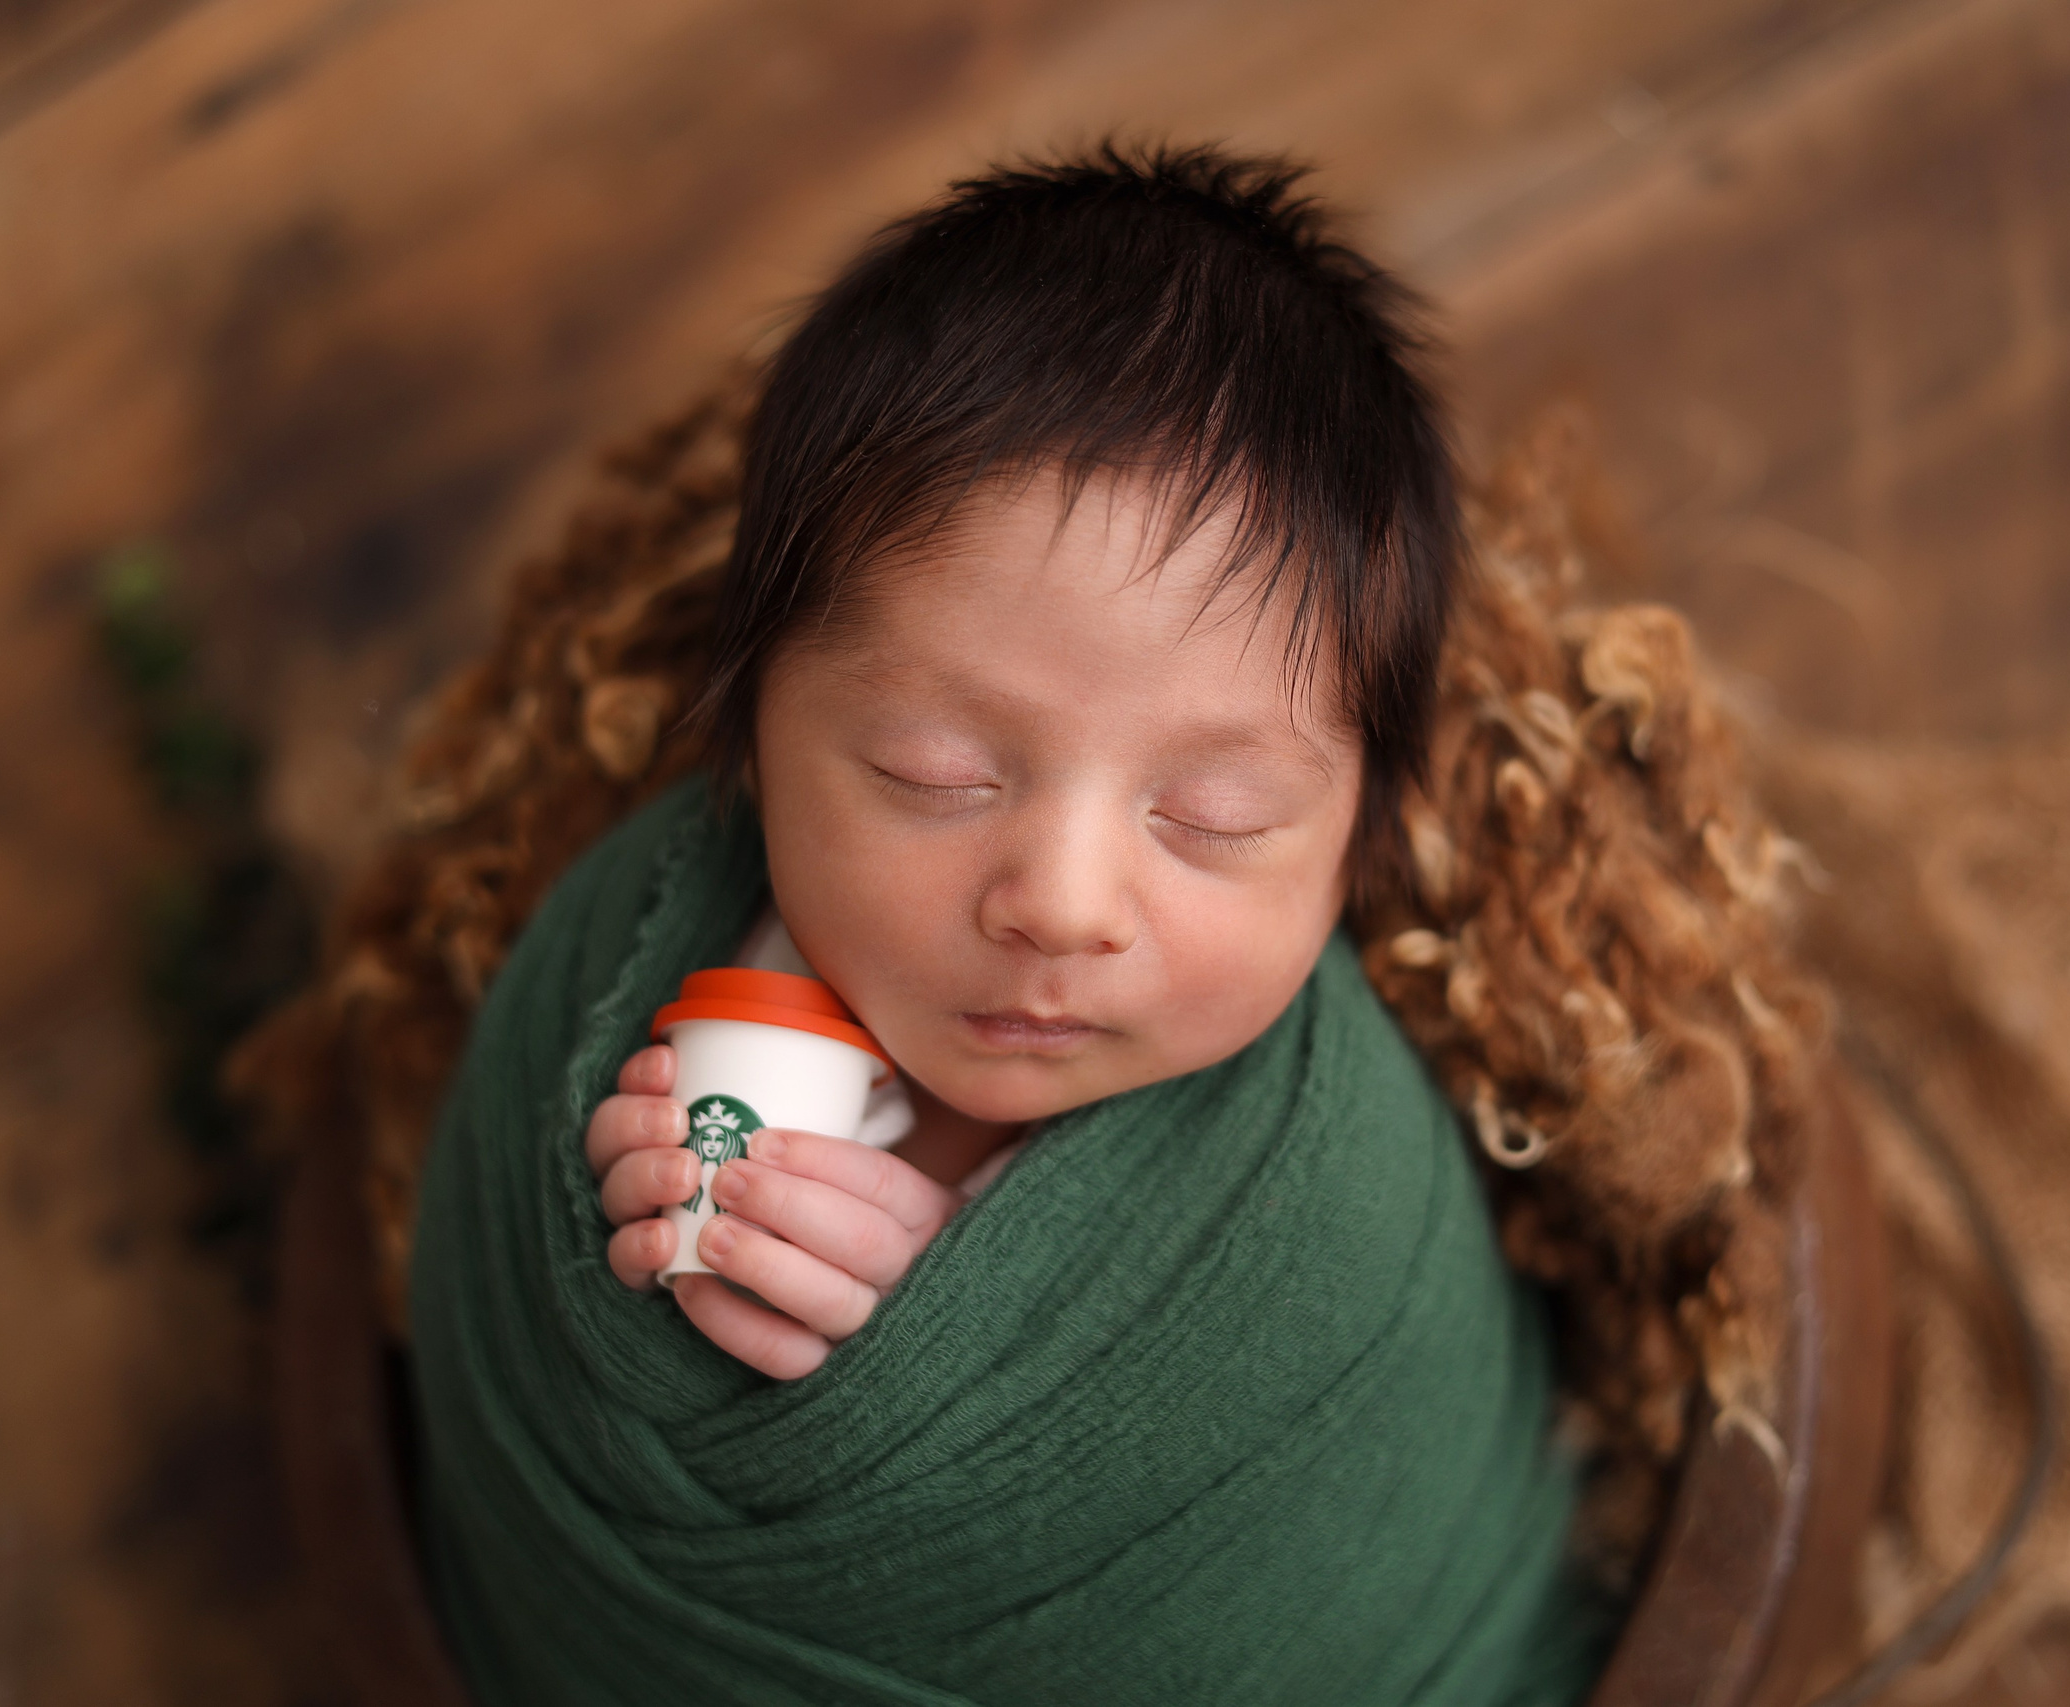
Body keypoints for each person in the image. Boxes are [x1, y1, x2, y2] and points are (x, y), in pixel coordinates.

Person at [407, 145, 1602, 1705]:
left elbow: (1381, 1517)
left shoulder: (1337, 1189)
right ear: (752, 722)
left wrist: (947, 1333)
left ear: (1362, 844)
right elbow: (522, 1343)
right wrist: (645, 1244)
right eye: (935, 772)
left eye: (1215, 819)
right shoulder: (626, 973)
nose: (1062, 902)